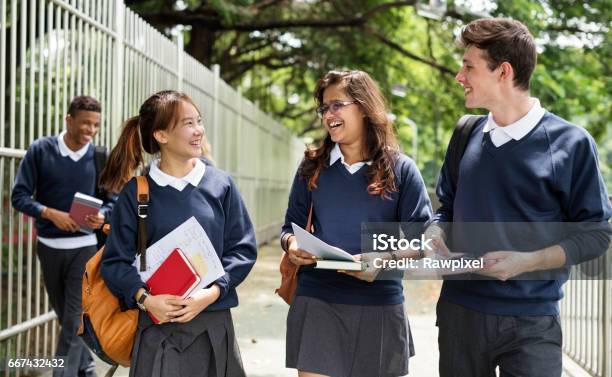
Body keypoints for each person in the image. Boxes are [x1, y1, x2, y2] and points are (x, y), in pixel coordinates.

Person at [429, 18, 612, 377]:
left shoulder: (571, 144)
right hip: (460, 314)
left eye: (468, 66)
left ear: (503, 71)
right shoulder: (465, 133)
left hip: (532, 322)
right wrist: (434, 234)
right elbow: (445, 208)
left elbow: (597, 234)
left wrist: (525, 262)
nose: (458, 76)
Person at [280, 70, 433, 377]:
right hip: (317, 298)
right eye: (324, 108)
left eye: (337, 105)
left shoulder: (401, 169)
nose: (328, 115)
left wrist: (384, 259)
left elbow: (425, 241)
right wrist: (293, 245)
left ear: (363, 107)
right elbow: (289, 227)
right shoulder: (312, 166)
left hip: (379, 303)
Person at [99, 90, 257, 377]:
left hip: (213, 324)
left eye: (199, 121)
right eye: (188, 124)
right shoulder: (136, 192)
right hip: (157, 329)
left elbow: (243, 250)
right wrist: (146, 299)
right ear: (161, 135)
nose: (199, 131)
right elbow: (114, 262)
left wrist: (211, 293)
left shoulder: (221, 185)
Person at [11, 95, 115, 377]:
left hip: (85, 250)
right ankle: (87, 367)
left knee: (72, 320)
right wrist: (49, 213)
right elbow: (18, 196)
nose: (90, 131)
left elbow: (113, 201)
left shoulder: (100, 157)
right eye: (85, 124)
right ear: (69, 120)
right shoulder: (41, 151)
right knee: (68, 319)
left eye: (95, 125)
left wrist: (103, 215)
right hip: (49, 248)